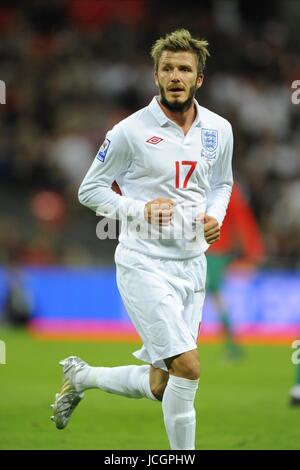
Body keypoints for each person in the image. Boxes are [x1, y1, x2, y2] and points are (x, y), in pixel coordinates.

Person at [51, 29, 233, 450]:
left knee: (160, 385)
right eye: (167, 68)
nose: (175, 75)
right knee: (188, 367)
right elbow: (89, 189)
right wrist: (137, 209)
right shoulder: (130, 131)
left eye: (184, 69)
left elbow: (223, 182)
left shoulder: (219, 130)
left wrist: (215, 215)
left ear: (198, 79)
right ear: (155, 75)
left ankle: (81, 377)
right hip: (143, 262)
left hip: (193, 265)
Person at [206, 182, 266, 358]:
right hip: (205, 250)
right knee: (213, 297)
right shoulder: (213, 184)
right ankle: (231, 343)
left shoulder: (227, 187)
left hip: (214, 251)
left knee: (210, 295)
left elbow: (241, 219)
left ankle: (232, 344)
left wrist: (251, 251)